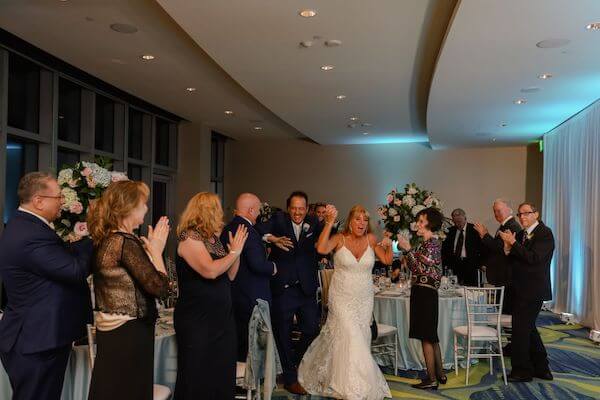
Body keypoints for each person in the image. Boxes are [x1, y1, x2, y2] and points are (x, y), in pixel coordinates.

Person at [0, 172, 93, 400]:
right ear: (39, 201)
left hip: (38, 335)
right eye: (58, 197)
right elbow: (74, 271)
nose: (62, 202)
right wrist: (94, 240)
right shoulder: (30, 234)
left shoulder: (28, 226)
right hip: (36, 340)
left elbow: (60, 257)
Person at [298, 204, 393, 399]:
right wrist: (329, 223)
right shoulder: (339, 238)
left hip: (364, 298)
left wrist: (389, 244)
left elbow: (387, 260)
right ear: (350, 221)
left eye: (365, 220)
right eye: (358, 219)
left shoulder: (371, 239)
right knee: (349, 336)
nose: (361, 223)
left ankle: (349, 383)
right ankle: (350, 388)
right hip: (341, 297)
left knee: (360, 337)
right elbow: (321, 248)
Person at [87, 180, 171, 400]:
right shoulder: (124, 242)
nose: (146, 208)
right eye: (144, 203)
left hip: (113, 331)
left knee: (112, 388)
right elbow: (161, 288)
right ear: (130, 207)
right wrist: (157, 251)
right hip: (130, 333)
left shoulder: (106, 238)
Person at [174, 192, 248, 399]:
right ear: (207, 211)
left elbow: (230, 275)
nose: (221, 213)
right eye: (217, 208)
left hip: (221, 319)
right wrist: (233, 253)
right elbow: (210, 270)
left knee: (221, 373)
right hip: (198, 319)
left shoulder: (214, 239)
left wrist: (236, 252)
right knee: (197, 374)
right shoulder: (189, 237)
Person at [255, 191, 321, 395]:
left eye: (301, 208)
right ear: (288, 208)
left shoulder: (313, 222)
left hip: (307, 287)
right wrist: (273, 239)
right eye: (294, 208)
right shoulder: (278, 219)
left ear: (307, 208)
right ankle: (291, 378)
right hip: (283, 287)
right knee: (282, 333)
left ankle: (293, 363)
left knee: (311, 328)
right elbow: (258, 230)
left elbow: (326, 240)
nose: (298, 212)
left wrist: (329, 222)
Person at [498, 202, 554, 382]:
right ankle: (542, 368)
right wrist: (508, 250)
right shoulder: (521, 234)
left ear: (536, 214)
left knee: (521, 331)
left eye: (526, 213)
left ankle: (522, 371)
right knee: (528, 329)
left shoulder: (545, 233)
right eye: (520, 214)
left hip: (534, 289)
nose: (522, 217)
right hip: (520, 288)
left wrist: (513, 243)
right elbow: (516, 260)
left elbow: (534, 259)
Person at [221, 193, 277, 361]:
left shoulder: (228, 228)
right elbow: (257, 264)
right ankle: (247, 384)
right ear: (251, 210)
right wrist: (273, 267)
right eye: (258, 210)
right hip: (251, 296)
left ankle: (238, 381)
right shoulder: (248, 232)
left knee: (237, 342)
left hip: (234, 293)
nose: (259, 214)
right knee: (250, 347)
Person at [397, 207, 446, 390]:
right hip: (424, 291)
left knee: (427, 336)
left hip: (425, 293)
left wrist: (407, 249)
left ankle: (431, 378)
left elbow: (419, 268)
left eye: (421, 221)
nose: (417, 224)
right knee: (431, 335)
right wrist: (407, 250)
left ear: (430, 224)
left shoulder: (431, 243)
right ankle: (440, 373)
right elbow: (414, 265)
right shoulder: (426, 244)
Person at [474, 199, 521, 313]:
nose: (496, 214)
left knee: (506, 309)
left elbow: (499, 248)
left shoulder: (511, 226)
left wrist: (484, 235)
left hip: (507, 275)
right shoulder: (505, 225)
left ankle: (506, 329)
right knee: (502, 307)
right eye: (495, 211)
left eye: (499, 210)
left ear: (509, 210)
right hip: (503, 275)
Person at [441, 208, 482, 286]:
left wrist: (480, 264)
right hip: (454, 265)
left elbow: (482, 248)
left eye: (459, 221)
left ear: (465, 218)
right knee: (454, 288)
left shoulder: (475, 229)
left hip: (470, 265)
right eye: (455, 221)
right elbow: (445, 250)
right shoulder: (449, 231)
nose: (457, 224)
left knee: (471, 289)